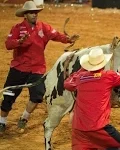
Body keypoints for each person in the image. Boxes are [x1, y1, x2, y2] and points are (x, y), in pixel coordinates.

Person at [0, 1, 79, 134]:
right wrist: (19, 42)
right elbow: (8, 44)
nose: (34, 15)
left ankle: (24, 118)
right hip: (19, 68)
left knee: (37, 96)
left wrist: (68, 39)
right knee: (9, 96)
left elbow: (56, 35)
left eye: (36, 12)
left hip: (37, 69)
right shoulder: (17, 28)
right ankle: (2, 121)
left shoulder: (43, 27)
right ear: (25, 15)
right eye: (31, 13)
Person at [64, 47, 120, 150]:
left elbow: (67, 83)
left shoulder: (80, 77)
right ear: (103, 63)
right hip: (98, 127)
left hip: (79, 129)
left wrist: (82, 70)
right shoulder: (108, 76)